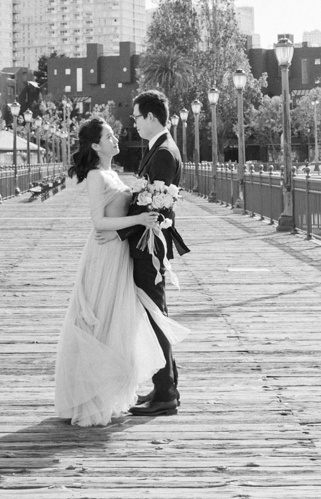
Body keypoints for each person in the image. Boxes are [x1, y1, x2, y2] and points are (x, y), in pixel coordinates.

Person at [54, 117, 187, 427]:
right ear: (95, 145)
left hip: (120, 253)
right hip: (104, 254)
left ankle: (111, 389)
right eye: (109, 136)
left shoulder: (112, 173)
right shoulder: (97, 176)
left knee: (116, 320)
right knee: (100, 318)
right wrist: (138, 222)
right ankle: (90, 395)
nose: (115, 139)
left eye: (114, 135)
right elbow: (98, 222)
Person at [121, 89, 189, 417]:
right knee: (155, 314)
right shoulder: (159, 147)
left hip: (150, 245)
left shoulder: (163, 152)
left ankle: (166, 393)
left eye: (136, 117)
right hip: (150, 242)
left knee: (155, 316)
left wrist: (118, 227)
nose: (133, 123)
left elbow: (150, 203)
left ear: (150, 117)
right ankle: (165, 386)